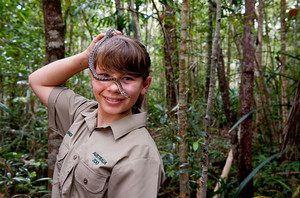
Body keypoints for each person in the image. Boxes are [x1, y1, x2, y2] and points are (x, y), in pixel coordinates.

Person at [29, 30, 165, 198]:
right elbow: (37, 81)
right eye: (105, 75)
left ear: (144, 85)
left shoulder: (139, 154)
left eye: (127, 78)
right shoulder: (82, 114)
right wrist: (87, 57)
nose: (114, 87)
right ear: (93, 76)